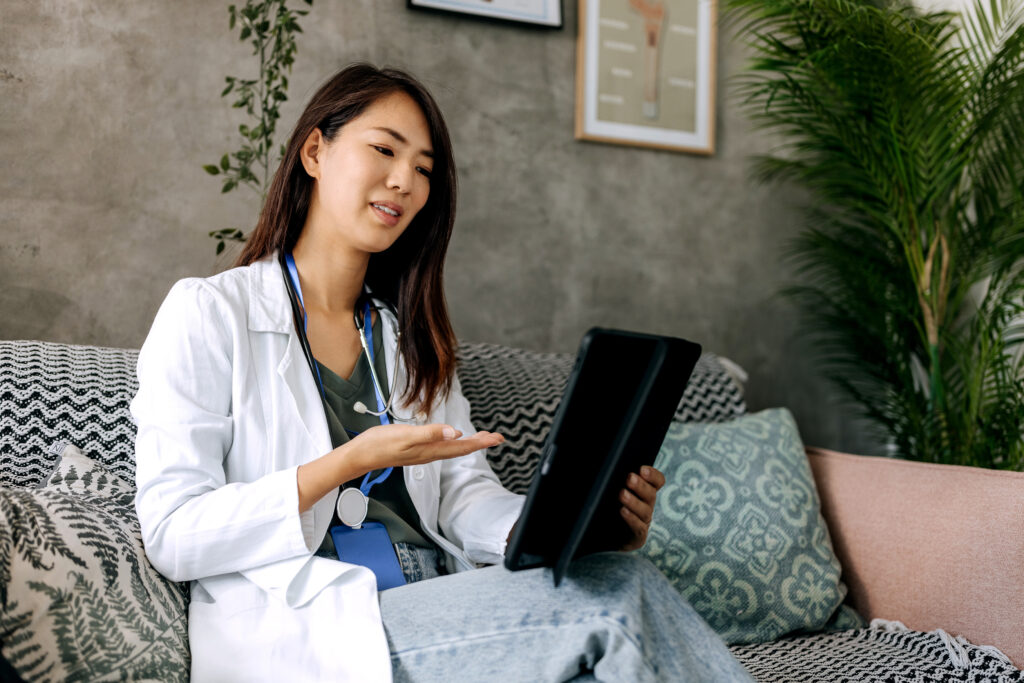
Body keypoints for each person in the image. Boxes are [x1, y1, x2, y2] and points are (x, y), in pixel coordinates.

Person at [132, 63, 753, 682]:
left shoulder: (409, 337)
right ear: (315, 151)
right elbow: (174, 532)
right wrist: (345, 463)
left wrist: (560, 530)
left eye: (424, 169)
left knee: (603, 603)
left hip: (437, 600)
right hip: (319, 626)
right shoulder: (210, 313)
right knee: (617, 596)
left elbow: (462, 494)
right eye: (384, 149)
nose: (404, 181)